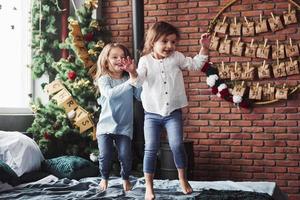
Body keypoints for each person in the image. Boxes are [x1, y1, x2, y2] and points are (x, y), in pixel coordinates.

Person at [122, 21, 210, 200]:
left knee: (177, 145)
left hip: (173, 113)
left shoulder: (177, 57)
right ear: (153, 41)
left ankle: (183, 179)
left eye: (173, 42)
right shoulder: (145, 60)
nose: (170, 46)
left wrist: (204, 48)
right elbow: (138, 82)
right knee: (151, 149)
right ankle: (149, 186)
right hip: (152, 115)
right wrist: (132, 72)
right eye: (164, 41)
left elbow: (194, 65)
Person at [95, 43, 142, 192]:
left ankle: (125, 178)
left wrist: (134, 76)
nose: (119, 60)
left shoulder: (128, 78)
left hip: (124, 126)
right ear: (106, 60)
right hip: (105, 126)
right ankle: (104, 178)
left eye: (122, 57)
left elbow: (139, 97)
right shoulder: (104, 79)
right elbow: (109, 94)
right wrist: (131, 81)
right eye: (114, 57)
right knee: (105, 155)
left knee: (125, 155)